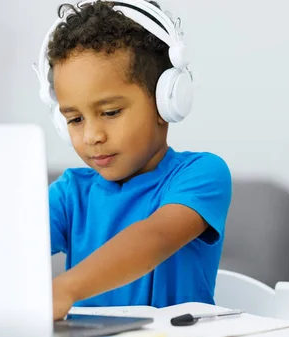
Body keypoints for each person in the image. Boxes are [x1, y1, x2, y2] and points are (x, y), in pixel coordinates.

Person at [34, 0, 233, 320]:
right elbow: (9, 248)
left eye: (110, 112)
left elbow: (154, 237)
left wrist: (66, 288)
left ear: (166, 101)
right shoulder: (70, 193)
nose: (91, 136)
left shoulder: (201, 174)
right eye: (74, 119)